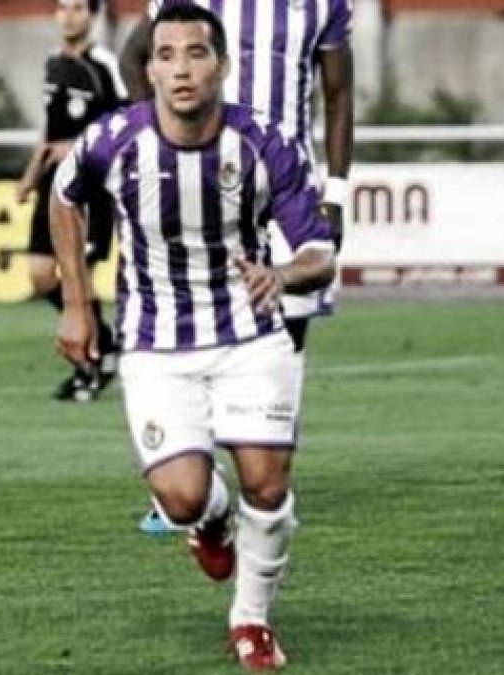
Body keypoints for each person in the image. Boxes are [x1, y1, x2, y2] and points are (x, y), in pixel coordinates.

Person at [50, 5, 336, 669]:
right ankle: (209, 522)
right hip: (154, 342)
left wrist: (284, 272)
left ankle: (251, 620)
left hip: (250, 333)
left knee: (265, 483)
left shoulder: (264, 143)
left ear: (223, 65)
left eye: (197, 53)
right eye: (167, 54)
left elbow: (320, 251)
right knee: (182, 496)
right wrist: (75, 302)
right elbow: (64, 198)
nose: (182, 68)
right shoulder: (115, 140)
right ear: (148, 69)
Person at [120, 0, 354, 535]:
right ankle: (196, 480)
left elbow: (338, 94)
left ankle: (266, 479)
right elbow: (133, 59)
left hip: (285, 184)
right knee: (183, 328)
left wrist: (335, 192)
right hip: (196, 185)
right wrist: (156, 138)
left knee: (285, 331)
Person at [16, 0, 127, 402]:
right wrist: (30, 175)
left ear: (92, 14)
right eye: (62, 7)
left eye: (78, 8)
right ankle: (107, 341)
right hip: (52, 185)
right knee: (41, 274)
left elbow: (125, 123)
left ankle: (90, 364)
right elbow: (50, 130)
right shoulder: (52, 63)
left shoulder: (105, 65)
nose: (69, 16)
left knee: (76, 272)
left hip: (91, 186)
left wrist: (79, 148)